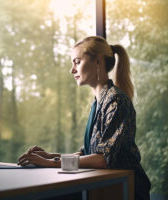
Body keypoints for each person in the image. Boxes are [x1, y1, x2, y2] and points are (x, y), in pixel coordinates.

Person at [18, 36, 151, 200]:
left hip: (123, 190)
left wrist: (51, 163)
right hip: (104, 187)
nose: (72, 70)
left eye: (77, 62)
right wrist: (51, 156)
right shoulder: (99, 102)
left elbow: (102, 159)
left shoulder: (116, 100)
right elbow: (88, 153)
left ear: (98, 61)